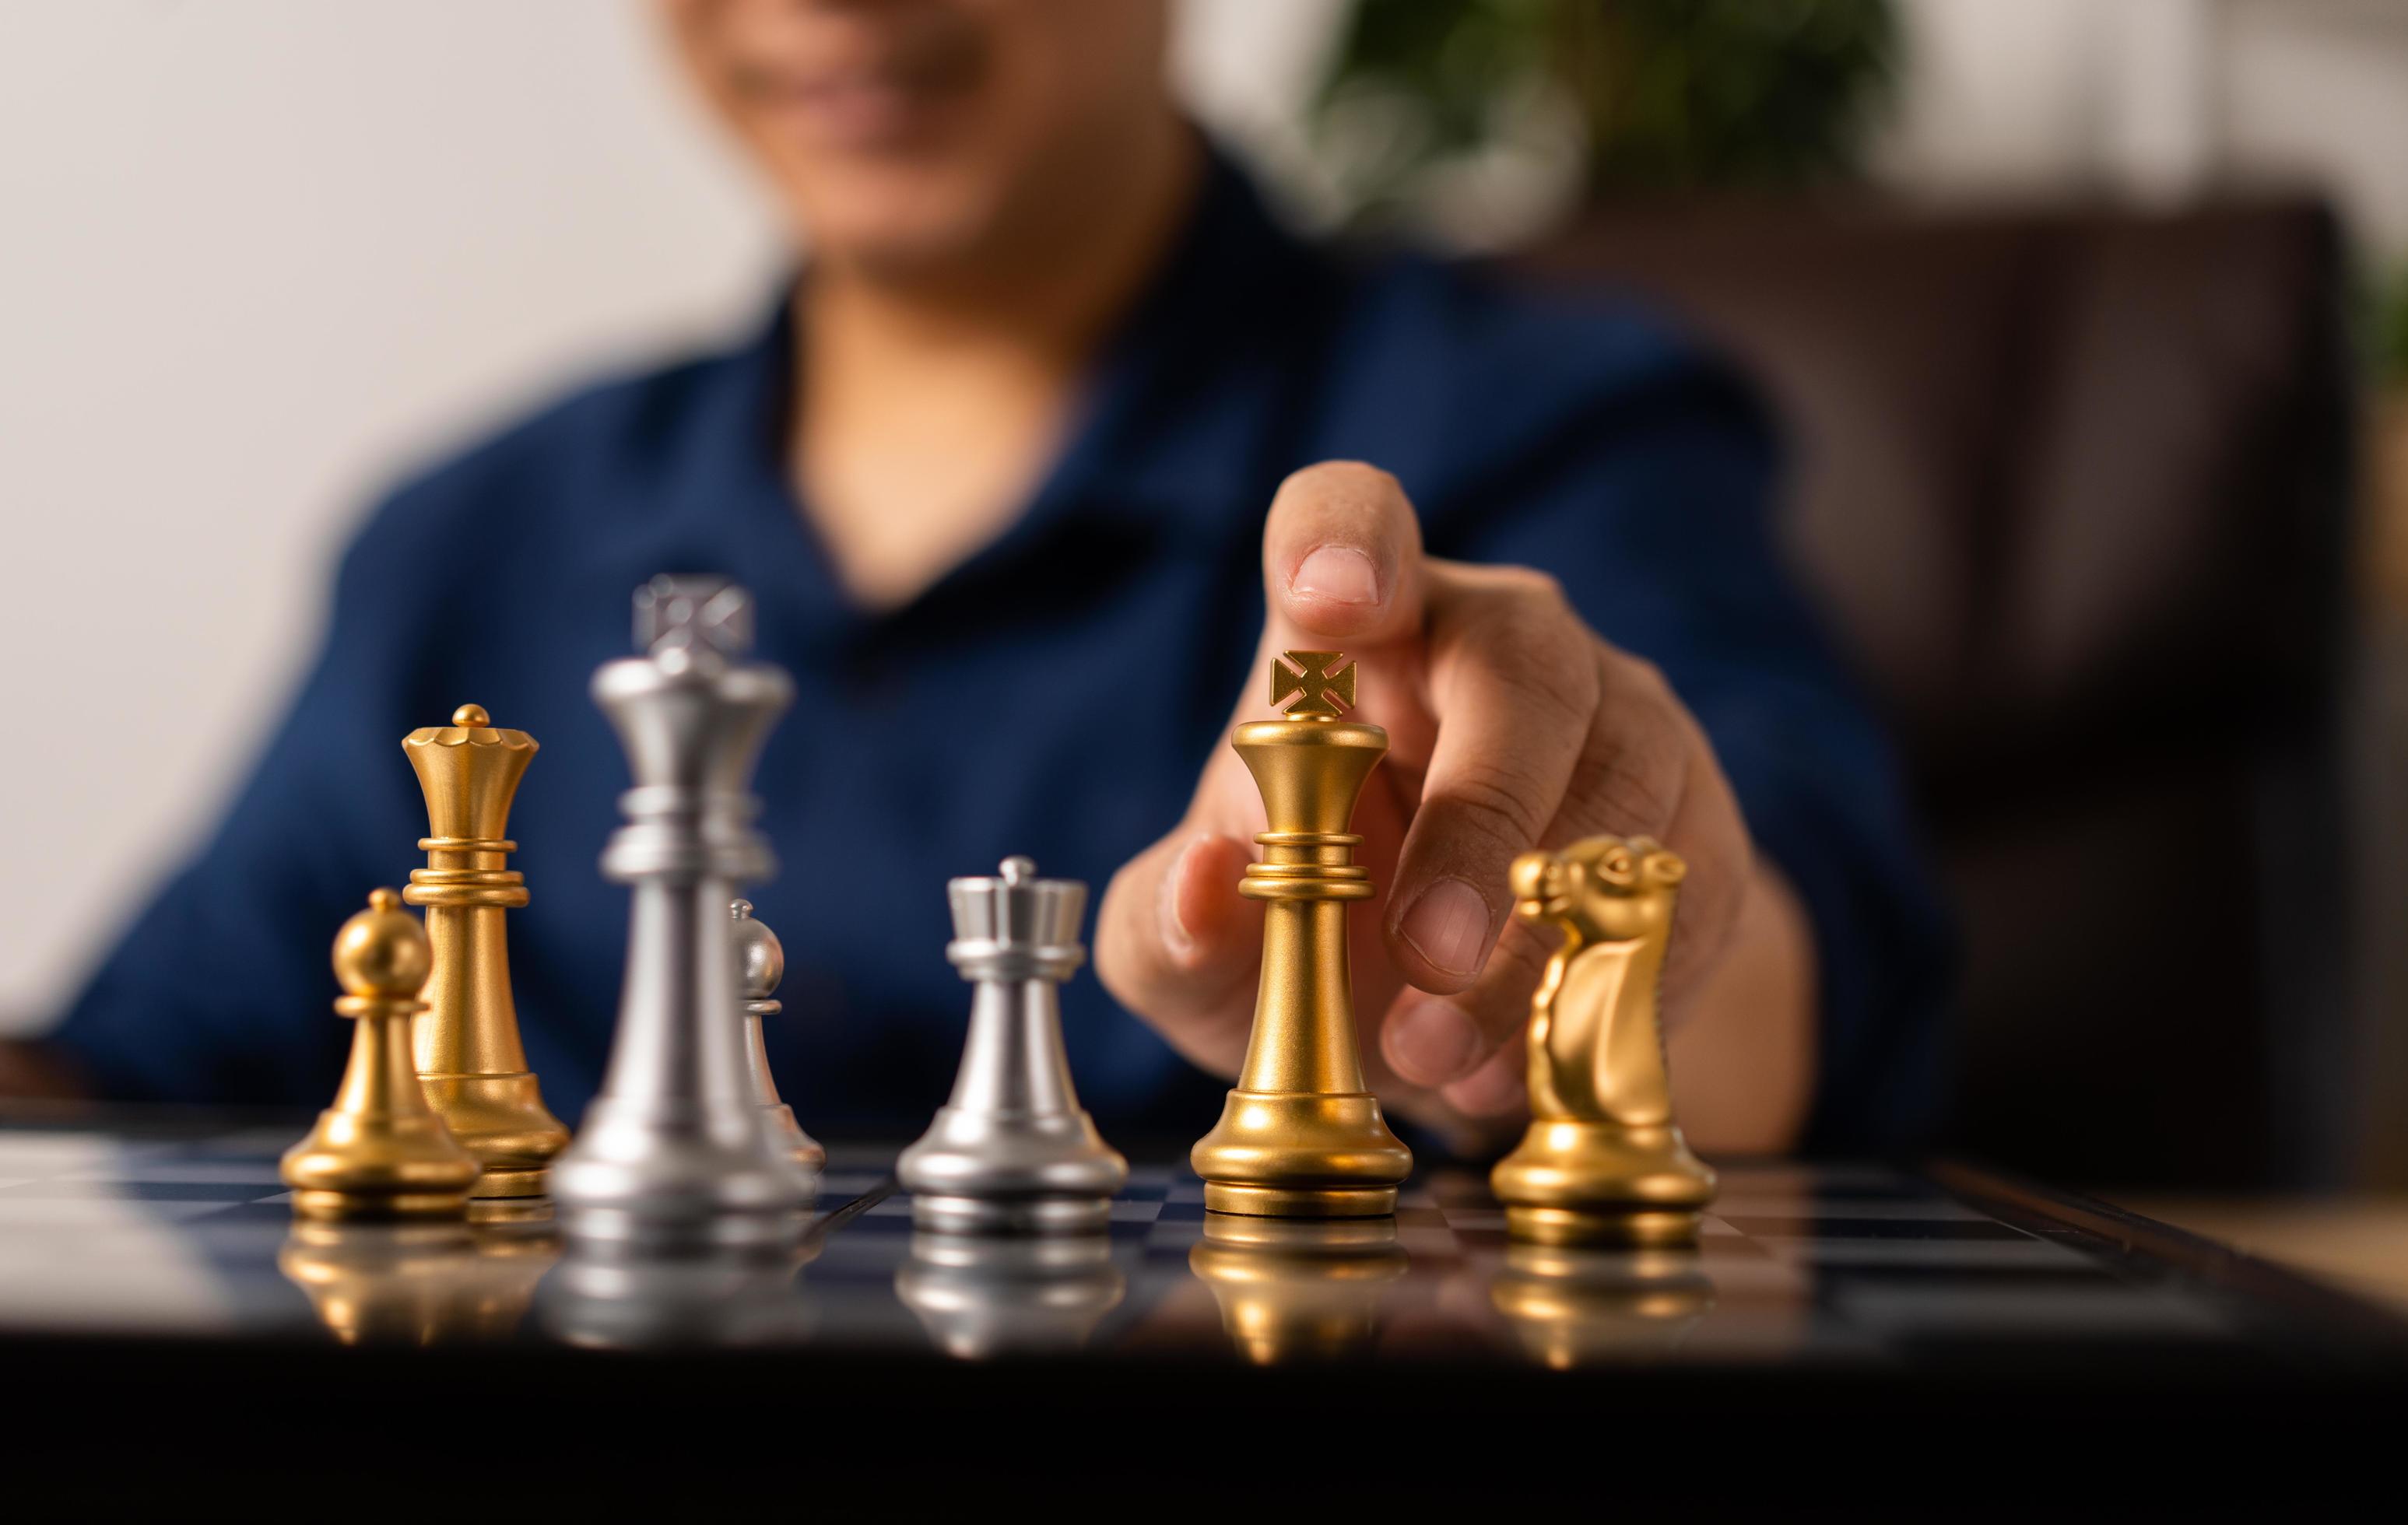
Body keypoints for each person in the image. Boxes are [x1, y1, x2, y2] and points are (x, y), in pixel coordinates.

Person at [5, 0, 1946, 1155]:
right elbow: (136, 1071)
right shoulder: (470, 539)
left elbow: (1787, 976)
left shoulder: (1550, 428)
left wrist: (1579, 961)